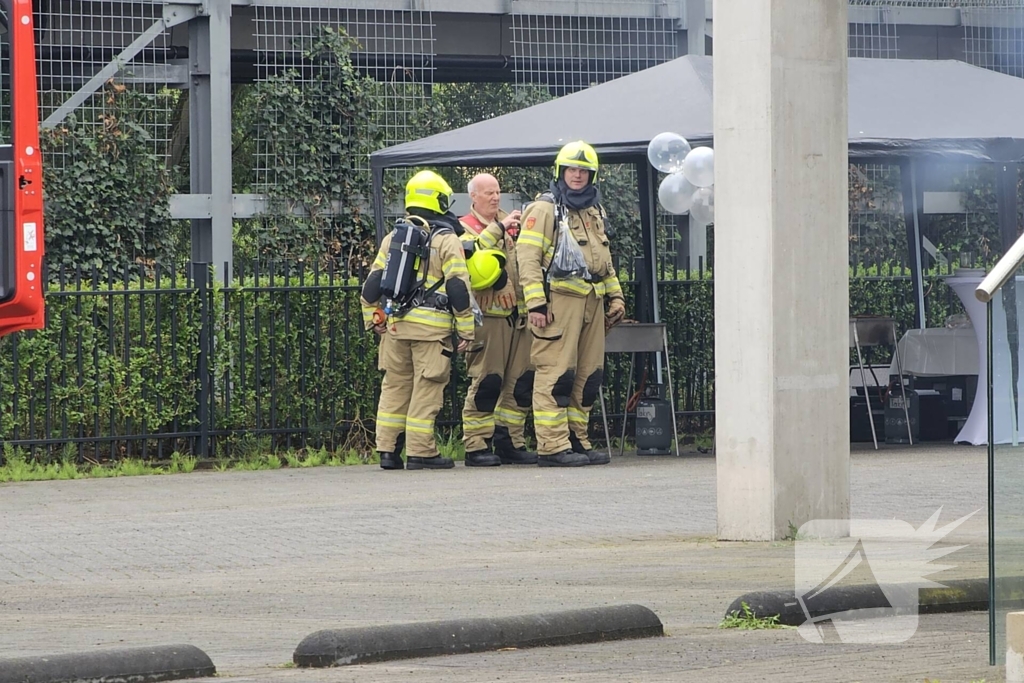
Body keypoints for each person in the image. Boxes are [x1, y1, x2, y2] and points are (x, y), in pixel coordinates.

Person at [516, 141, 627, 467]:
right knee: (557, 373)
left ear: (592, 175)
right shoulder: (545, 209)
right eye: (571, 170)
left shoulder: (594, 211)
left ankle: (577, 440)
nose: (577, 175)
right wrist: (536, 303)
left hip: (591, 301)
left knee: (588, 377)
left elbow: (603, 261)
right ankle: (552, 446)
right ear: (560, 172)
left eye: (583, 171)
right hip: (559, 304)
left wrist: (616, 296)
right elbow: (528, 257)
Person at [360, 170, 475, 470]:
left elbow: (372, 284)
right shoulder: (447, 240)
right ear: (439, 200)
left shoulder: (393, 237)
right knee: (427, 388)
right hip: (432, 333)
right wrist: (466, 329)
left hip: (395, 328)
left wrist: (373, 318)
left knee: (395, 387)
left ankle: (388, 451)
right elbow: (458, 287)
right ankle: (421, 452)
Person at [457, 173, 537, 466]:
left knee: (520, 382)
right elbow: (471, 261)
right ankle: (476, 445)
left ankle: (510, 441)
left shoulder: (513, 223)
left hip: (520, 316)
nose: (495, 197)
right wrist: (499, 230)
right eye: (488, 192)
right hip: (488, 318)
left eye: (497, 192)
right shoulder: (463, 227)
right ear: (473, 196)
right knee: (487, 381)